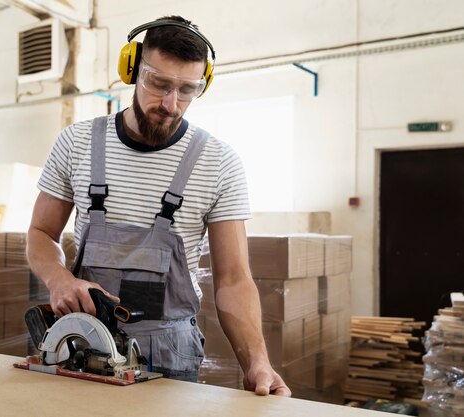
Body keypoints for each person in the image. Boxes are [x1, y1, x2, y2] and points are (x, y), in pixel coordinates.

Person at [27, 15, 291, 396]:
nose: (170, 103)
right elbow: (41, 233)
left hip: (170, 353)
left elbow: (233, 279)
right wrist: (59, 280)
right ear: (132, 69)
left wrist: (257, 362)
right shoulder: (76, 143)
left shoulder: (219, 162)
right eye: (159, 83)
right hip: (81, 342)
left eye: (187, 89)